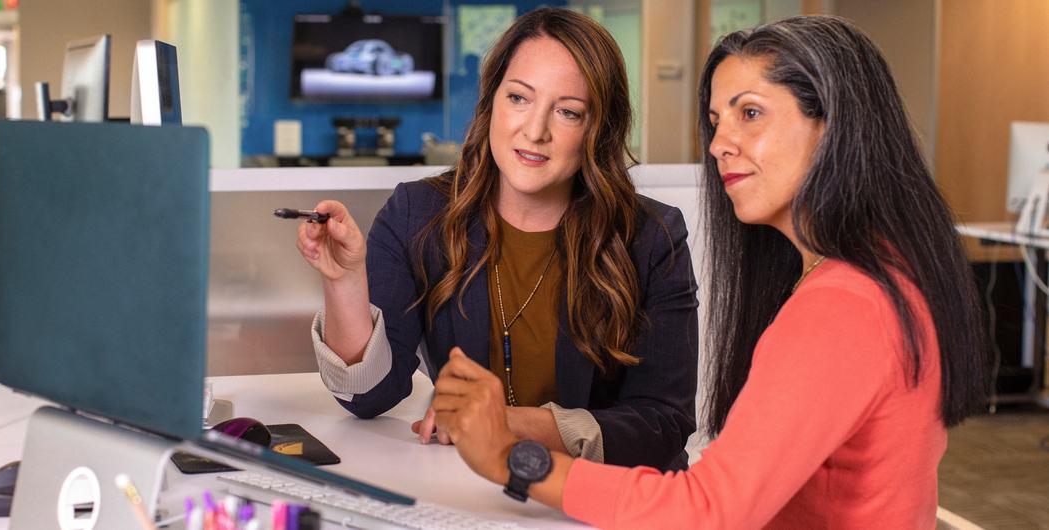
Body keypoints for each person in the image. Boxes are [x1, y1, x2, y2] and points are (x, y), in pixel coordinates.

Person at [430, 15, 990, 528]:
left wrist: (512, 462)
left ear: (834, 126)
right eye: (717, 121)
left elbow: (710, 512)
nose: (721, 144)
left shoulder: (843, 305)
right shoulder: (886, 270)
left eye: (751, 114)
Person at [292, 7, 699, 470]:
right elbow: (369, 396)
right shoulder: (417, 214)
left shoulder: (652, 236)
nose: (535, 130)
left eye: (568, 112)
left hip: (601, 501)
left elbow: (663, 425)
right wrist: (345, 281)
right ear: (491, 103)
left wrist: (506, 422)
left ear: (597, 130)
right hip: (471, 493)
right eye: (519, 98)